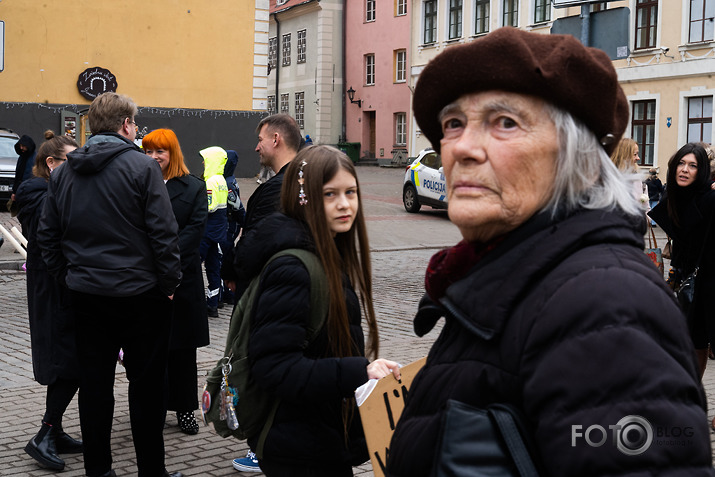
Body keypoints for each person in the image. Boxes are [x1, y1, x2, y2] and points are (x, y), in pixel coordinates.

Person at [386, 27, 714, 475]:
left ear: (576, 158)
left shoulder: (605, 308)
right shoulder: (503, 277)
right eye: (453, 124)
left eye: (505, 122)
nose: (460, 147)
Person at [37, 92, 184, 477]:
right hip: (142, 296)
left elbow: (47, 237)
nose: (136, 130)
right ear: (125, 125)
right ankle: (152, 471)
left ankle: (98, 470)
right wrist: (169, 285)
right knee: (147, 388)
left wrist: (67, 279)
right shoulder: (142, 168)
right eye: (135, 124)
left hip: (87, 295)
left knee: (95, 385)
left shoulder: (64, 171)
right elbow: (164, 235)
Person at [235, 145, 399, 476]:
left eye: (350, 192)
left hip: (318, 438)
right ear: (304, 198)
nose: (345, 204)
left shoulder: (327, 255)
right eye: (330, 194)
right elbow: (275, 368)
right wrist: (359, 371)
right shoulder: (295, 268)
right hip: (298, 448)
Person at [223, 113, 302, 473]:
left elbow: (257, 240)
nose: (256, 147)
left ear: (276, 139)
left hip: (272, 291)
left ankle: (264, 447)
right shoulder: (300, 178)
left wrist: (233, 268)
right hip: (287, 288)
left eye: (260, 139)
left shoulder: (283, 186)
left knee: (266, 367)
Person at [15, 130, 82, 472]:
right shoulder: (38, 192)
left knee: (68, 363)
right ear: (51, 163)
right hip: (53, 289)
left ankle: (55, 430)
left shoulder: (51, 189)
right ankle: (45, 434)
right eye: (72, 161)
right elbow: (55, 234)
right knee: (67, 364)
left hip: (60, 286)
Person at [142, 128, 209, 436]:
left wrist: (167, 265)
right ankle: (152, 407)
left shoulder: (194, 187)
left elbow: (194, 231)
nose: (154, 158)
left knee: (182, 351)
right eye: (149, 151)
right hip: (148, 278)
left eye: (160, 151)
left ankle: (185, 409)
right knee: (152, 349)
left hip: (182, 277)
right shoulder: (139, 182)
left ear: (173, 153)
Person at [649, 144, 715, 377]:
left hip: (711, 282)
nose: (685, 170)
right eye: (681, 163)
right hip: (692, 283)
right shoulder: (674, 198)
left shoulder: (710, 197)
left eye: (693, 165)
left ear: (702, 171)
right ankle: (692, 400)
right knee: (694, 343)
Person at [199, 146, 229, 318]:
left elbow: (208, 207)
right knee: (213, 269)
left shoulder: (211, 182)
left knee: (195, 265)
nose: (203, 162)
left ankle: (194, 300)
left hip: (207, 231)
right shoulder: (222, 180)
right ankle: (213, 303)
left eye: (205, 159)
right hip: (217, 232)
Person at [220, 149, 245, 308]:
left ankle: (227, 293)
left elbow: (236, 205)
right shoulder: (230, 179)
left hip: (230, 224)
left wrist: (244, 219)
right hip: (232, 223)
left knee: (225, 256)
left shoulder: (227, 182)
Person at [11, 134, 36, 202]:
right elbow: (18, 175)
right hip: (21, 191)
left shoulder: (35, 158)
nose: (21, 148)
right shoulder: (21, 158)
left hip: (30, 191)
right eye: (20, 146)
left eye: (23, 146)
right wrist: (14, 192)